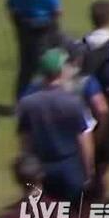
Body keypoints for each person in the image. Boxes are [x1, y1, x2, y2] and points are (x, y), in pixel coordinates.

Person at [16, 48, 93, 202]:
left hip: (41, 165)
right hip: (70, 165)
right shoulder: (73, 102)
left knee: (46, 212)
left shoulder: (27, 103)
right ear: (61, 71)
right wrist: (89, 170)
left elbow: (25, 141)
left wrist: (28, 170)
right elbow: (84, 140)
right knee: (72, 214)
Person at [7, 0, 60, 99]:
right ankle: (43, 98)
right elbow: (56, 9)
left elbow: (11, 7)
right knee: (44, 65)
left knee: (25, 66)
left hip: (23, 27)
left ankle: (20, 99)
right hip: (43, 29)